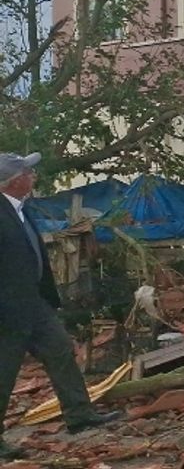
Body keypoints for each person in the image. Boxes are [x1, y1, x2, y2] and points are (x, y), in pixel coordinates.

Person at [0, 152, 121, 459]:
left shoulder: (20, 209)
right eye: (28, 172)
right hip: (7, 310)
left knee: (60, 350)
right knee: (3, 372)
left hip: (34, 304)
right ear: (14, 181)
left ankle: (80, 416)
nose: (33, 176)